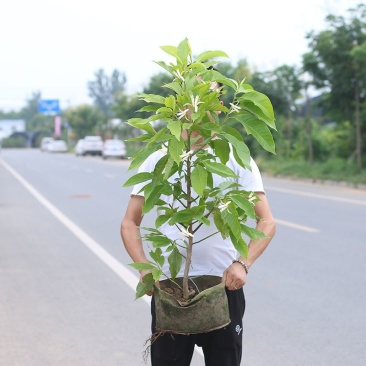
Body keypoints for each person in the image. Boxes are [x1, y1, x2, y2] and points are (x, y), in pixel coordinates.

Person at [121, 81, 276, 366]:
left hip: (223, 288)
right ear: (181, 103)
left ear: (219, 105)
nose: (205, 104)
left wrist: (242, 264)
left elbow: (266, 221)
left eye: (213, 97)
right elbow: (130, 222)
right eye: (197, 96)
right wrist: (145, 270)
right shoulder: (159, 158)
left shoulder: (236, 158)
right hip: (169, 290)